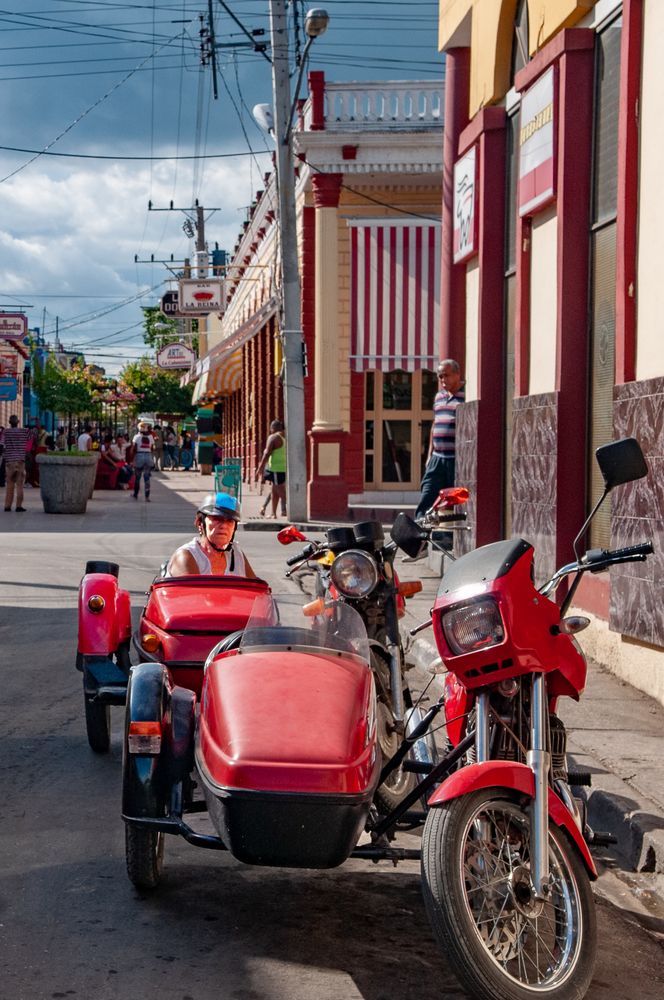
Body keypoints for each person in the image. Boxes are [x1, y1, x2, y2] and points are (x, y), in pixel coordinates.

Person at [408, 359, 465, 559]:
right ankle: (418, 543)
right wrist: (429, 453)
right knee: (427, 496)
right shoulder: (439, 397)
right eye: (440, 376)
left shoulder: (466, 397)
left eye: (446, 375)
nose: (442, 380)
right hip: (437, 458)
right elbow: (434, 424)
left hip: (455, 460)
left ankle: (445, 540)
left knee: (450, 502)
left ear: (458, 375)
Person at [165, 492, 256, 578]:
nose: (224, 525)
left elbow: (256, 589)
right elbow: (193, 593)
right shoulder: (186, 556)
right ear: (199, 522)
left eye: (229, 521)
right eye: (217, 518)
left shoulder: (236, 554)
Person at [3, 414, 35, 512]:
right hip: (21, 460)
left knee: (10, 484)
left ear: (9, 422)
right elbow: (32, 438)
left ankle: (7, 506)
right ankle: (18, 506)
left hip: (9, 461)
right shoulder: (25, 431)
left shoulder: (5, 432)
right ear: (18, 422)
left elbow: (1, 445)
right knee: (20, 484)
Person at [255, 419, 287, 518]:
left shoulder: (273, 437)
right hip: (282, 468)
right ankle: (273, 513)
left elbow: (266, 453)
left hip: (276, 468)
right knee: (274, 491)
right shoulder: (283, 438)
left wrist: (260, 468)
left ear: (273, 428)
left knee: (280, 491)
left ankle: (290, 507)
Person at [131, 420, 154, 501]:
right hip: (148, 456)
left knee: (137, 477)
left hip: (139, 456)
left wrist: (133, 459)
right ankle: (147, 497)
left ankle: (135, 494)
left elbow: (134, 449)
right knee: (147, 477)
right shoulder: (150, 436)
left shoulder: (136, 437)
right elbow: (151, 448)